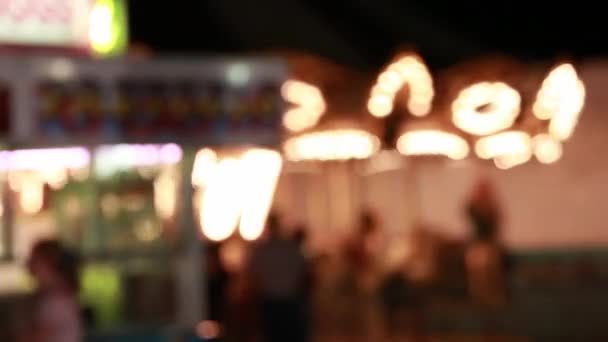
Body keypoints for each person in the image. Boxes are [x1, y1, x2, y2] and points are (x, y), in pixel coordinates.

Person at [249, 215, 310, 342]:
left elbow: (254, 276)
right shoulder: (291, 247)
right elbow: (304, 273)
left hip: (273, 300)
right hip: (289, 299)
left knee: (274, 335)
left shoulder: (262, 250)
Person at [22, 240, 83, 342]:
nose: (29, 266)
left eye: (36, 261)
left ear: (50, 265)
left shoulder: (56, 301)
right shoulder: (60, 296)